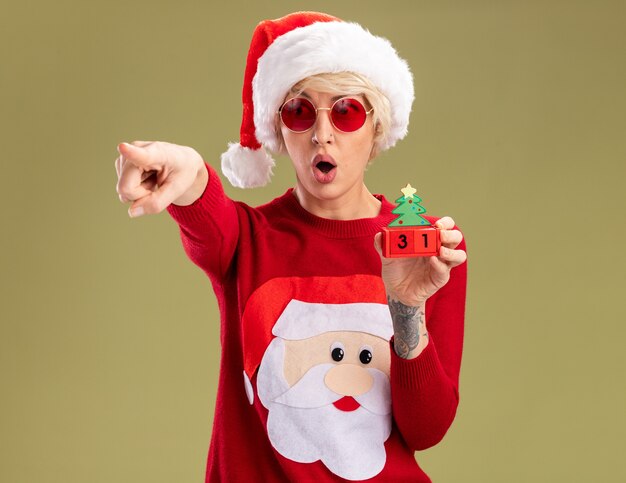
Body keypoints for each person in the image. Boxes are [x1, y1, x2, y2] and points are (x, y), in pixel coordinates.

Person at [114, 11, 467, 482]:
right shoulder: (246, 238)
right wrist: (188, 168)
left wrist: (406, 308)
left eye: (346, 111)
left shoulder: (423, 253)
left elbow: (426, 429)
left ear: (375, 128)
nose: (322, 133)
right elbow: (204, 204)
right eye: (300, 112)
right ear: (280, 131)